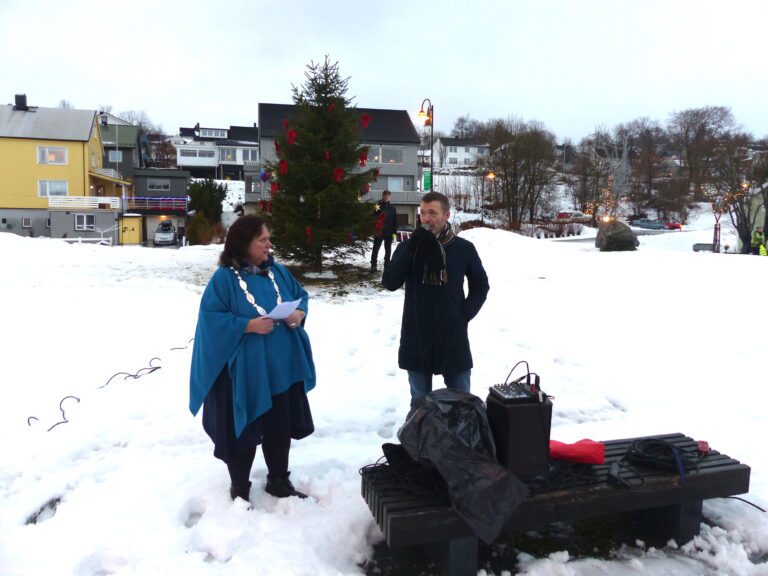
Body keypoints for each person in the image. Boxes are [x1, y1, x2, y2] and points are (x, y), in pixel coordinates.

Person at [189, 215, 316, 502]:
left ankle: (279, 481)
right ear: (245, 244)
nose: (269, 245)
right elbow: (210, 320)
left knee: (279, 426)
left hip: (280, 370)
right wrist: (248, 325)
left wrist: (299, 313)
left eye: (268, 239)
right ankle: (240, 489)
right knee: (244, 431)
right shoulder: (224, 279)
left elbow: (301, 296)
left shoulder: (277, 272)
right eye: (263, 240)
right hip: (244, 374)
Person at [383, 191, 489, 403]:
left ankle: (461, 437)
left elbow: (480, 285)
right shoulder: (408, 248)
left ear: (446, 215)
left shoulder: (463, 249)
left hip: (452, 335)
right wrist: (410, 249)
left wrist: (464, 314)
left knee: (463, 403)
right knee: (421, 405)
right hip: (417, 335)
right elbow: (390, 282)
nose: (427, 218)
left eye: (433, 213)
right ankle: (423, 437)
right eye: (422, 213)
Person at [371, 190, 398, 272]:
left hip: (389, 232)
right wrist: (377, 205)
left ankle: (387, 265)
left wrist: (394, 233)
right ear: (383, 196)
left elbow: (395, 221)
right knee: (376, 249)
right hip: (379, 232)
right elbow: (373, 216)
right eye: (385, 195)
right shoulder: (378, 206)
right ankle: (373, 266)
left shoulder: (393, 208)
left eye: (388, 196)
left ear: (390, 198)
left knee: (388, 250)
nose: (386, 197)